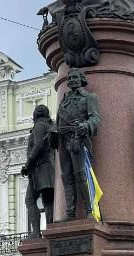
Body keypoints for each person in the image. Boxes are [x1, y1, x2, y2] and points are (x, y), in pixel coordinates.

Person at [50, 67, 100, 220]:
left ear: (81, 79)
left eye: (75, 77)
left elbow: (95, 119)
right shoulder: (64, 99)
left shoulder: (89, 97)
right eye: (69, 78)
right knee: (66, 176)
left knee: (81, 175)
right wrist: (53, 130)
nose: (71, 80)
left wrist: (85, 126)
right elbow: (58, 120)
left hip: (78, 138)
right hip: (63, 139)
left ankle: (89, 210)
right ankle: (70, 213)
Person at [21, 105, 55, 238]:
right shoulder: (48, 125)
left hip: (40, 167)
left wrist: (28, 164)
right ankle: (50, 229)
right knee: (48, 200)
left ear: (35, 115)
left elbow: (38, 145)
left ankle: (36, 232)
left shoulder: (40, 125)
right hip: (47, 167)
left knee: (30, 199)